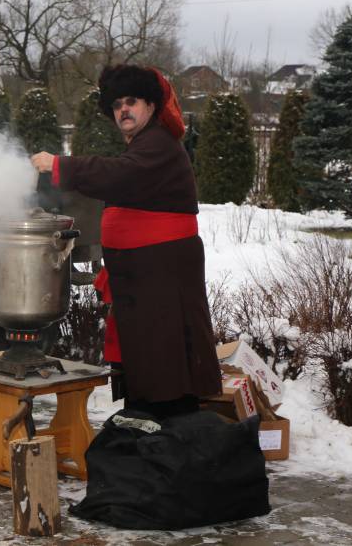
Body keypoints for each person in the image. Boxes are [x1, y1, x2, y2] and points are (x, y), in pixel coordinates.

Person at [30, 65, 221, 419]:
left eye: (131, 101)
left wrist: (60, 166)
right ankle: (148, 424)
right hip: (145, 274)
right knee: (150, 360)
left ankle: (166, 428)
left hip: (162, 274)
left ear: (151, 104)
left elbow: (120, 175)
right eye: (117, 105)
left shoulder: (159, 144)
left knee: (165, 362)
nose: (123, 110)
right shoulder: (145, 144)